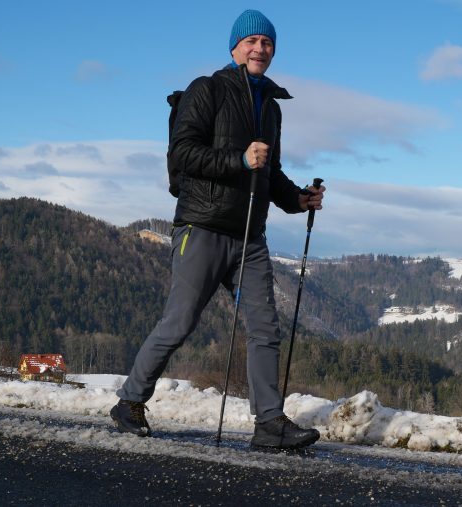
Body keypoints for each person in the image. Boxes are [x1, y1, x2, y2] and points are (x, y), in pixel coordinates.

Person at [111, 9, 325, 450]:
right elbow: (184, 152)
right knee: (180, 322)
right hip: (202, 228)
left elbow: (270, 172)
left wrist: (297, 199)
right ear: (234, 47)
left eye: (267, 43)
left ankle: (269, 424)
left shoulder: (271, 106)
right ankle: (129, 402)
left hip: (249, 236)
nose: (260, 48)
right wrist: (238, 160)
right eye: (251, 41)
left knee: (265, 327)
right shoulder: (206, 90)